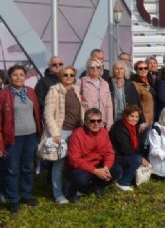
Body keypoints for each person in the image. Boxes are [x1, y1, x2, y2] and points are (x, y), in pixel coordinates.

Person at [0, 65, 42, 213]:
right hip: (13, 138)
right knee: (11, 169)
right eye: (15, 75)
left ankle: (26, 195)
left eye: (21, 75)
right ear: (9, 77)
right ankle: (13, 199)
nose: (18, 78)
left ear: (25, 77)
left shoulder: (30, 92)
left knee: (27, 167)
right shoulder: (4, 94)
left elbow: (36, 113)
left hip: (30, 136)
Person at [42, 65, 84, 204]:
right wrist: (55, 133)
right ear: (60, 77)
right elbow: (48, 114)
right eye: (65, 75)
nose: (69, 77)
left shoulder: (75, 90)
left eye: (71, 75)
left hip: (76, 131)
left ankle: (70, 190)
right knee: (59, 165)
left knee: (73, 163)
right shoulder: (54, 90)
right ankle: (58, 194)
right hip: (62, 132)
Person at [67, 108, 123, 202]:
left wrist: (106, 167)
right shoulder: (77, 135)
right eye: (92, 121)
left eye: (99, 121)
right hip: (82, 167)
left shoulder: (104, 132)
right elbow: (74, 159)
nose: (96, 123)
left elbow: (109, 152)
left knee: (117, 170)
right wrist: (95, 171)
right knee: (81, 178)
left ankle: (97, 186)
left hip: (98, 165)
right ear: (85, 122)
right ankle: (72, 193)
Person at [109, 105, 150, 189]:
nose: (135, 119)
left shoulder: (133, 127)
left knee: (142, 157)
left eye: (137, 117)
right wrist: (141, 158)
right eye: (132, 116)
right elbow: (126, 150)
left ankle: (130, 177)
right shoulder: (120, 128)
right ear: (126, 116)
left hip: (124, 155)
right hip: (116, 158)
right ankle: (123, 183)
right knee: (137, 159)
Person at [79, 59, 114, 129]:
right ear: (88, 69)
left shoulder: (105, 84)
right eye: (92, 67)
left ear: (101, 69)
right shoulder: (81, 82)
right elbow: (77, 101)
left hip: (101, 121)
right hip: (87, 121)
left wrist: (109, 123)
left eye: (98, 67)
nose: (95, 69)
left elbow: (109, 105)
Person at [130, 60, 156, 128]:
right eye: (140, 68)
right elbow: (135, 105)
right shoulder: (134, 84)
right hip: (143, 121)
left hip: (152, 119)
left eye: (145, 68)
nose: (143, 70)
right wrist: (142, 121)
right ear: (136, 70)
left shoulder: (149, 82)